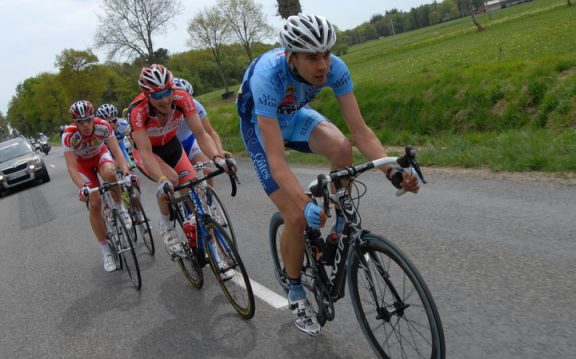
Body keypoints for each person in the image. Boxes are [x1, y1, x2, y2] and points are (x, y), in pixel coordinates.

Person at [236, 14, 420, 336]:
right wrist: (304, 203)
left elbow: (361, 132)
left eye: (326, 54)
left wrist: (393, 171)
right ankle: (294, 289)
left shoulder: (335, 68)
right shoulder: (268, 77)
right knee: (295, 216)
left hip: (292, 116)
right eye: (312, 57)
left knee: (341, 147)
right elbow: (277, 162)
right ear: (291, 57)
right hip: (260, 127)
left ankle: (337, 227)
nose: (323, 65)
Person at [128, 65, 234, 271]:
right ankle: (166, 225)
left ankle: (216, 258)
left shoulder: (182, 98)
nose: (165, 99)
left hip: (172, 145)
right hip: (148, 152)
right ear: (147, 95)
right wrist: (161, 180)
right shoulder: (137, 112)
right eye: (158, 95)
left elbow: (201, 134)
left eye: (168, 91)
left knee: (196, 197)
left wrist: (218, 158)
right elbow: (146, 153)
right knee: (171, 180)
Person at [62, 100, 134, 272]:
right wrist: (82, 187)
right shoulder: (69, 136)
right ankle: (106, 251)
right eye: (81, 122)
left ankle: (119, 206)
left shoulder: (103, 126)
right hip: (82, 165)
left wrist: (126, 172)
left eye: (88, 120)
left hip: (100, 155)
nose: (86, 125)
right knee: (94, 203)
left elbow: (117, 152)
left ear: (93, 118)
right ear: (75, 122)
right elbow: (72, 167)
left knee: (110, 173)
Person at [172, 77, 229, 188]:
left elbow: (210, 132)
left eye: (188, 98)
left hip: (189, 140)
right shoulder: (166, 109)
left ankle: (210, 200)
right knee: (186, 182)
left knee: (207, 170)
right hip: (173, 146)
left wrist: (219, 151)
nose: (184, 102)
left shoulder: (194, 104)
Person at [96, 103, 134, 168]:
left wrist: (134, 152)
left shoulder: (123, 125)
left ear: (117, 119)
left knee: (130, 165)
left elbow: (132, 139)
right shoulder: (97, 130)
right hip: (105, 147)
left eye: (114, 121)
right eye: (107, 122)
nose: (111, 125)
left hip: (120, 144)